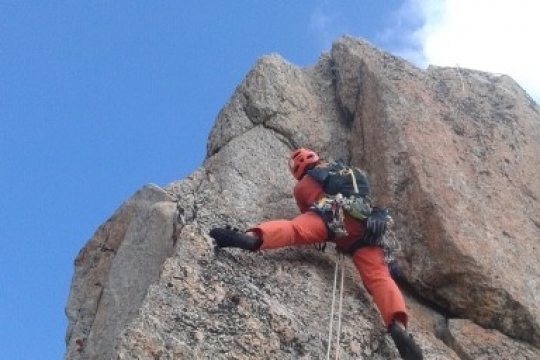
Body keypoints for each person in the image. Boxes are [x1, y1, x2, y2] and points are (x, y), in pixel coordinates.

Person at [209, 148, 423, 360]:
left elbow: (308, 214)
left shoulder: (304, 184)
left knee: (294, 229)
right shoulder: (348, 173)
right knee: (379, 277)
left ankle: (254, 236)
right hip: (366, 229)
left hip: (330, 217)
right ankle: (398, 325)